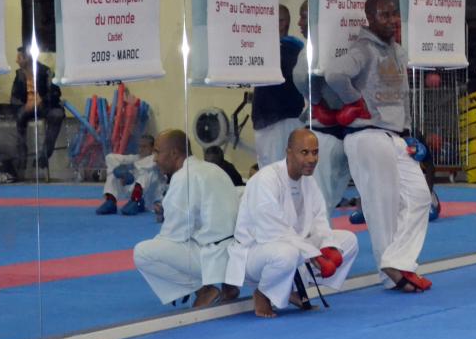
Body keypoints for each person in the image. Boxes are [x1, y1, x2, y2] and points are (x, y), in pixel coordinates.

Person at [324, 0, 432, 293]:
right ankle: (391, 274)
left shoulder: (398, 50)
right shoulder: (363, 49)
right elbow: (335, 74)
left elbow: (404, 95)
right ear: (370, 19)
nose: (391, 20)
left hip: (395, 136)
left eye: (393, 14)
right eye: (384, 15)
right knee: (381, 206)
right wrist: (354, 100)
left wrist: (410, 131)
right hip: (367, 135)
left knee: (420, 198)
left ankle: (396, 261)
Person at [225, 128, 359, 317]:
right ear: (289, 152)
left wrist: (329, 247)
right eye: (304, 152)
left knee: (348, 241)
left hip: (294, 247)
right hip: (256, 252)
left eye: (315, 152)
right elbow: (272, 232)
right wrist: (314, 255)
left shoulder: (309, 182)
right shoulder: (266, 180)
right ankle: (263, 293)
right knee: (288, 253)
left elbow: (319, 221)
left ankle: (294, 287)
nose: (312, 159)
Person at [132, 130, 240, 308]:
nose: (155, 158)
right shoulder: (212, 169)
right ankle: (228, 286)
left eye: (158, 151)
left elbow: (174, 234)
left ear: (174, 153)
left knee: (143, 252)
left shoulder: (184, 177)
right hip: (235, 256)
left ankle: (203, 290)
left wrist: (175, 280)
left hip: (213, 257)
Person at [292, 0, 353, 215]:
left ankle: (320, 244)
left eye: (304, 15)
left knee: (321, 198)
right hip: (352, 132)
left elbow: (299, 77)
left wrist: (317, 100)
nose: (299, 22)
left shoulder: (314, 46)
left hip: (324, 134)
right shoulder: (347, 42)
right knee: (333, 194)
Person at [251, 4, 305, 167]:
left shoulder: (288, 49)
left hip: (280, 123)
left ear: (281, 23)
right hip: (272, 122)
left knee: (276, 173)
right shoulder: (277, 49)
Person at [10, 46, 63, 178]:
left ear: (27, 58)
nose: (16, 61)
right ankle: (22, 160)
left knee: (57, 115)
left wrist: (41, 100)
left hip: (44, 106)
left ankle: (43, 157)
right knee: (19, 116)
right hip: (27, 108)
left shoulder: (45, 71)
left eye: (19, 58)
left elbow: (56, 93)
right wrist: (24, 106)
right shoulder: (19, 75)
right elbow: (14, 98)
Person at [97, 133, 163, 215]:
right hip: (134, 193)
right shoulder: (136, 158)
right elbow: (110, 158)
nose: (141, 149)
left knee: (147, 174)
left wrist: (128, 168)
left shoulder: (155, 160)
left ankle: (136, 201)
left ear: (152, 148)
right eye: (140, 146)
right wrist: (121, 172)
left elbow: (145, 164)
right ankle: (111, 201)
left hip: (151, 198)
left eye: (144, 146)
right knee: (113, 173)